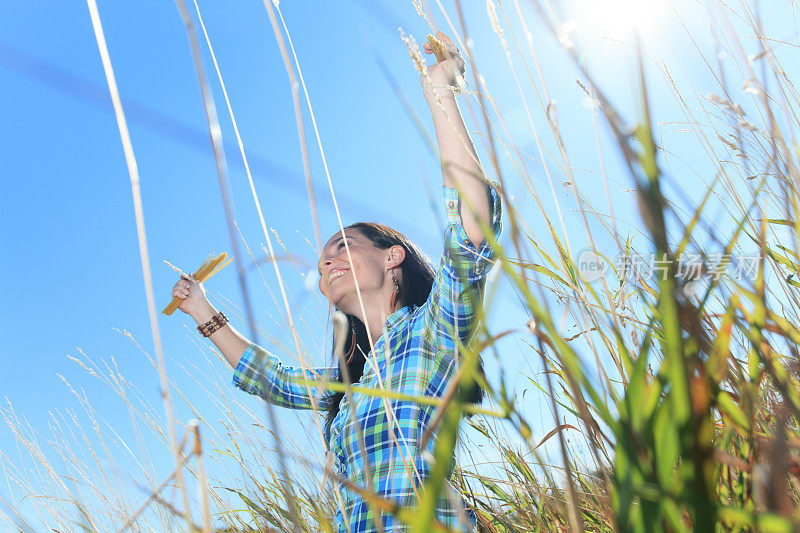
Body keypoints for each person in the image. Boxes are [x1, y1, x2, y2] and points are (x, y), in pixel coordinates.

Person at [170, 31, 502, 532]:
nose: (328, 261)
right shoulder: (347, 382)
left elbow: (473, 232)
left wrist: (439, 92)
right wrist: (200, 309)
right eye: (323, 259)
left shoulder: (433, 333)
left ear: (393, 257)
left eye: (343, 247)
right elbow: (274, 378)